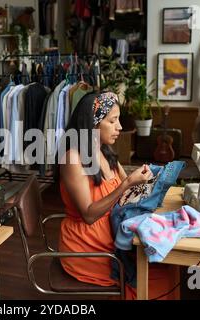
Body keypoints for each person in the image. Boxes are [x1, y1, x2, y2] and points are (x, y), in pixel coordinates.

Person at [58, 92, 179, 300]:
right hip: (88, 247)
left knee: (169, 268)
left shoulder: (105, 152)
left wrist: (151, 182)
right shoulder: (73, 158)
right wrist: (127, 183)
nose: (120, 127)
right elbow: (89, 215)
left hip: (114, 236)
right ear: (93, 125)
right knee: (159, 277)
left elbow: (129, 193)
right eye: (113, 121)